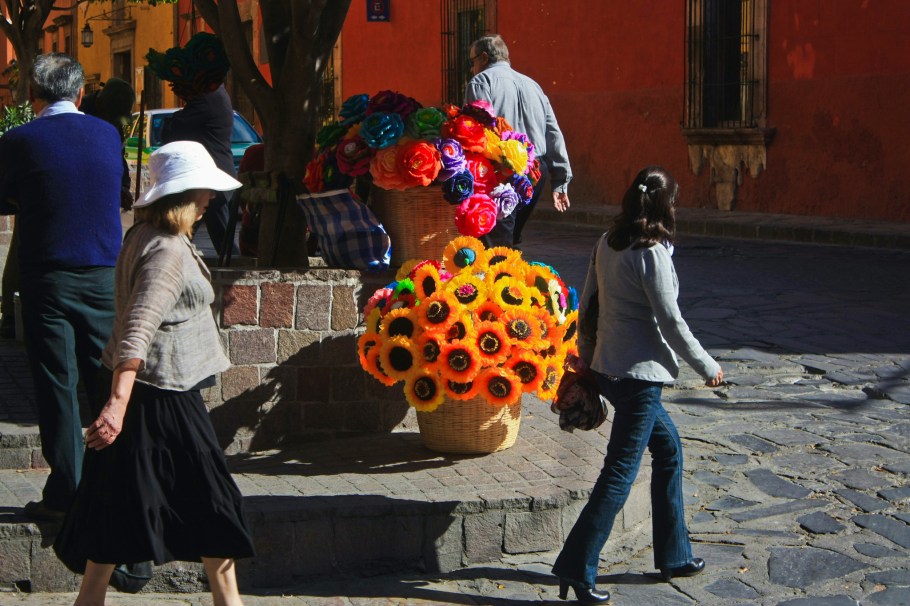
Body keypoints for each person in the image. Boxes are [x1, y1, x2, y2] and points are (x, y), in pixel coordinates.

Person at [53, 140, 254, 606]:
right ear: (184, 195)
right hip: (165, 392)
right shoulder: (167, 250)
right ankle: (230, 603)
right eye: (203, 190)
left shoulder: (144, 235)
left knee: (116, 497)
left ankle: (89, 600)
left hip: (149, 390)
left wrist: (120, 399)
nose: (210, 199)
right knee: (214, 499)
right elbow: (139, 326)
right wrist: (117, 404)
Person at [550, 167, 723, 604]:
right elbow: (671, 320)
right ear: (667, 207)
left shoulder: (608, 242)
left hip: (610, 369)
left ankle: (675, 554)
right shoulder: (652, 254)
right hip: (639, 378)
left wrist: (588, 357)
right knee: (619, 473)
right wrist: (707, 366)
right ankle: (577, 563)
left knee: (669, 451)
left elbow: (588, 301)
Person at [0, 53, 123, 521]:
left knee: (57, 385)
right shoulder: (107, 134)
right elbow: (118, 189)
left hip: (47, 276)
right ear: (80, 94)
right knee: (104, 382)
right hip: (103, 273)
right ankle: (112, 488)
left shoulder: (20, 139)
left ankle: (66, 493)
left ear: (33, 96)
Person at [465, 34, 573, 247]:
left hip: (502, 170)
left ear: (484, 57)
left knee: (497, 245)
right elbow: (553, 133)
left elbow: (475, 131)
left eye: (473, 61)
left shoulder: (481, 81)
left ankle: (504, 278)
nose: (472, 68)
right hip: (535, 171)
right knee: (509, 239)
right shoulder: (534, 85)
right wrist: (561, 179)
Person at [149, 33, 238, 261]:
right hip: (205, 178)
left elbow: (173, 128)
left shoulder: (208, 99)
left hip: (213, 178)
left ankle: (232, 275)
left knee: (222, 238)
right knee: (186, 230)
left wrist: (175, 119)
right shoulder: (214, 96)